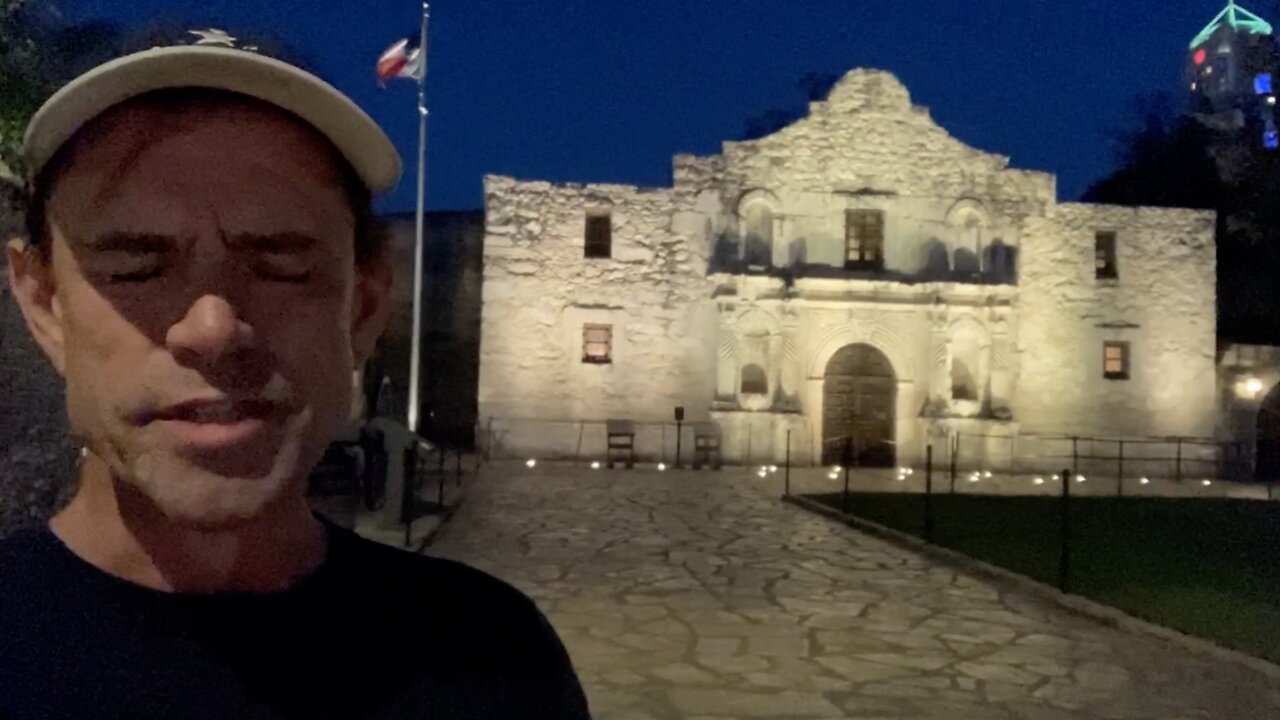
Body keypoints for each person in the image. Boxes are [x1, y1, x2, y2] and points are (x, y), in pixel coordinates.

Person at [1, 34, 590, 719]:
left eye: (282, 263)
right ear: (45, 306)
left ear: (364, 308)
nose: (214, 326)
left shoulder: (497, 663)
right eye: (138, 266)